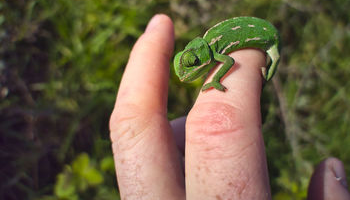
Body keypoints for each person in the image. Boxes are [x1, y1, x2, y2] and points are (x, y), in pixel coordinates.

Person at [109, 14, 349, 200]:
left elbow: (231, 61)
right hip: (257, 35)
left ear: (201, 54)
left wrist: (215, 80)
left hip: (269, 39)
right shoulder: (207, 46)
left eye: (192, 63)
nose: (189, 72)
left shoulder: (214, 51)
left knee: (272, 60)